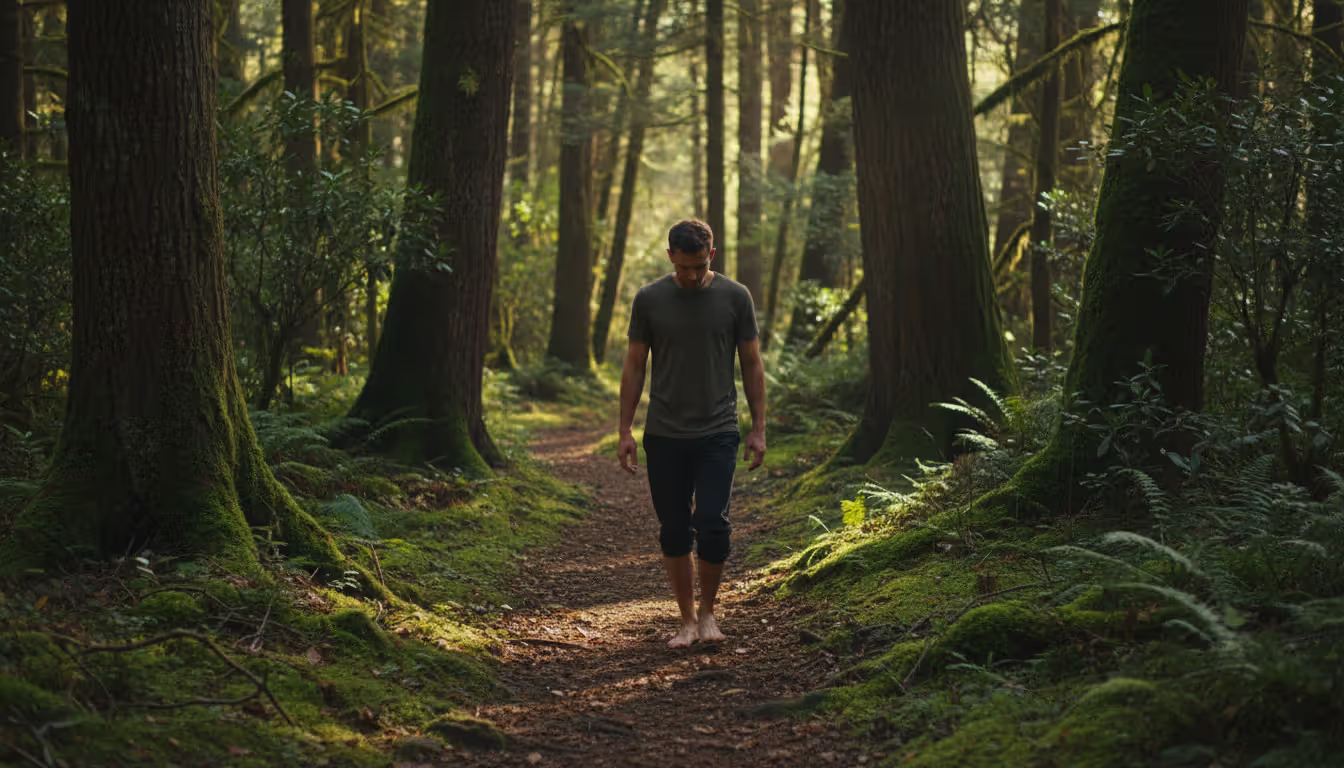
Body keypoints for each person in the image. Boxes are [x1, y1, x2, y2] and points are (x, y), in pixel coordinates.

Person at [617, 218, 768, 649]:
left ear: (712, 257)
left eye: (699, 267)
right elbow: (634, 365)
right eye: (683, 268)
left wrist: (758, 429)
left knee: (713, 524)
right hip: (664, 432)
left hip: (719, 429)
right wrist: (624, 429)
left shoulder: (736, 298)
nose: (691, 276)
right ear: (670, 258)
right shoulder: (649, 299)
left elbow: (752, 364)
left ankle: (708, 614)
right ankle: (684, 618)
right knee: (674, 528)